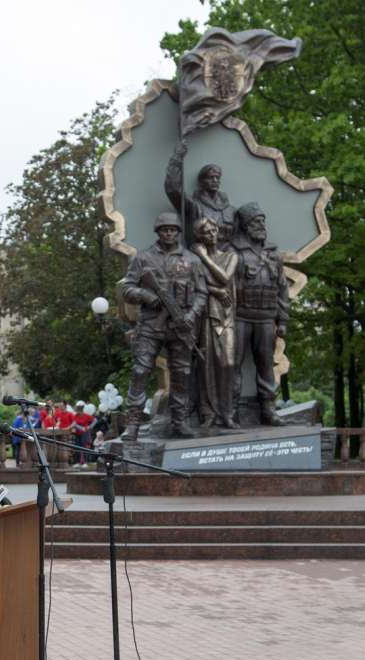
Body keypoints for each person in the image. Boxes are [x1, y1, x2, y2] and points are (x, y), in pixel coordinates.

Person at [121, 211, 208, 440]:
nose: (169, 233)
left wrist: (191, 315)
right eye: (164, 230)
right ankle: (133, 425)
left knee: (181, 374)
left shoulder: (192, 260)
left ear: (178, 232)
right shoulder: (143, 258)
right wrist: (146, 296)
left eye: (173, 230)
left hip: (181, 326)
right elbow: (127, 288)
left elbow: (202, 293)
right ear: (158, 232)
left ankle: (180, 422)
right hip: (151, 324)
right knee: (140, 371)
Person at [231, 202, 290, 425]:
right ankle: (231, 411)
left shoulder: (273, 254)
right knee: (232, 365)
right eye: (256, 221)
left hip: (266, 317)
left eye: (262, 220)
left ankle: (268, 409)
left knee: (266, 364)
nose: (261, 224)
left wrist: (282, 319)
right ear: (245, 226)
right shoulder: (234, 251)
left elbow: (283, 288)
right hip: (239, 317)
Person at [191, 216, 239, 429]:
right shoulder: (194, 261)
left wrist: (203, 257)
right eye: (205, 232)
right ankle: (208, 412)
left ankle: (227, 413)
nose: (210, 235)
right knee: (206, 364)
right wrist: (216, 291)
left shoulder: (230, 256)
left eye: (213, 230)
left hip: (226, 314)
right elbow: (197, 284)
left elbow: (225, 278)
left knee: (227, 363)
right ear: (200, 236)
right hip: (205, 312)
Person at [165, 142, 236, 247]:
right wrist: (177, 159)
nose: (215, 180)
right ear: (202, 181)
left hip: (226, 257)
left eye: (217, 177)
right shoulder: (193, 205)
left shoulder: (230, 209)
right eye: (210, 177)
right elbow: (173, 188)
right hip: (200, 257)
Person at [71, 401, 95, 466]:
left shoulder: (86, 416)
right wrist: (81, 428)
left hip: (85, 433)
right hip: (77, 433)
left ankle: (85, 462)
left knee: (84, 447)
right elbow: (74, 424)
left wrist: (89, 427)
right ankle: (77, 462)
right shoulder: (75, 416)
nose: (79, 410)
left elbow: (95, 420)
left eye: (80, 408)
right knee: (77, 447)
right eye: (78, 408)